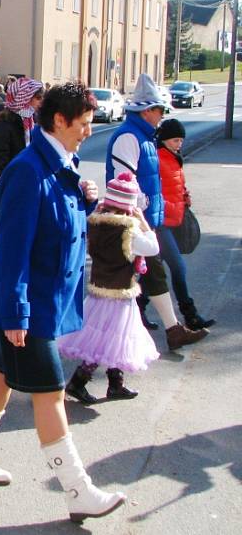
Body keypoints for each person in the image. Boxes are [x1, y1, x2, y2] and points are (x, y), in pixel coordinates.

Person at [0, 83, 126, 523]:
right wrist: (16, 311)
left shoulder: (59, 163)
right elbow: (12, 247)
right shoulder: (28, 170)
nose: (90, 130)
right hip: (25, 304)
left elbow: (55, 223)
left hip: (36, 300)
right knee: (50, 393)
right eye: (84, 123)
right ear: (59, 121)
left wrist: (82, 196)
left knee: (1, 375)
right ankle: (78, 491)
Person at [106, 74, 207, 350]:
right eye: (159, 110)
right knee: (118, 289)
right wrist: (142, 210)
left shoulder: (145, 137)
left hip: (147, 221)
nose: (161, 115)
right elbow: (124, 180)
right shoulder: (129, 137)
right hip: (133, 222)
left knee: (150, 277)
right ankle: (98, 357)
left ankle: (173, 330)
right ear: (146, 110)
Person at [59, 173, 161, 403]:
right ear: (130, 206)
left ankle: (115, 384)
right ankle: (79, 381)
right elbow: (153, 248)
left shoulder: (96, 223)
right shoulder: (129, 231)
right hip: (119, 292)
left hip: (99, 289)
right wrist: (143, 222)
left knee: (108, 338)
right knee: (112, 338)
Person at [156, 118, 215, 329]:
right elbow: (153, 192)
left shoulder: (174, 158)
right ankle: (190, 316)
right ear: (163, 139)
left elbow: (174, 186)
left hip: (172, 220)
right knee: (177, 268)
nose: (179, 144)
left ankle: (139, 306)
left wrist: (184, 196)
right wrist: (172, 205)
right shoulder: (157, 158)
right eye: (175, 140)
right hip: (161, 222)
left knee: (153, 271)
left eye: (181, 140)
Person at [0, 77, 44, 176]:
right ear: (25, 97)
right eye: (38, 98)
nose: (41, 101)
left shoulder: (32, 120)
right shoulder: (4, 125)